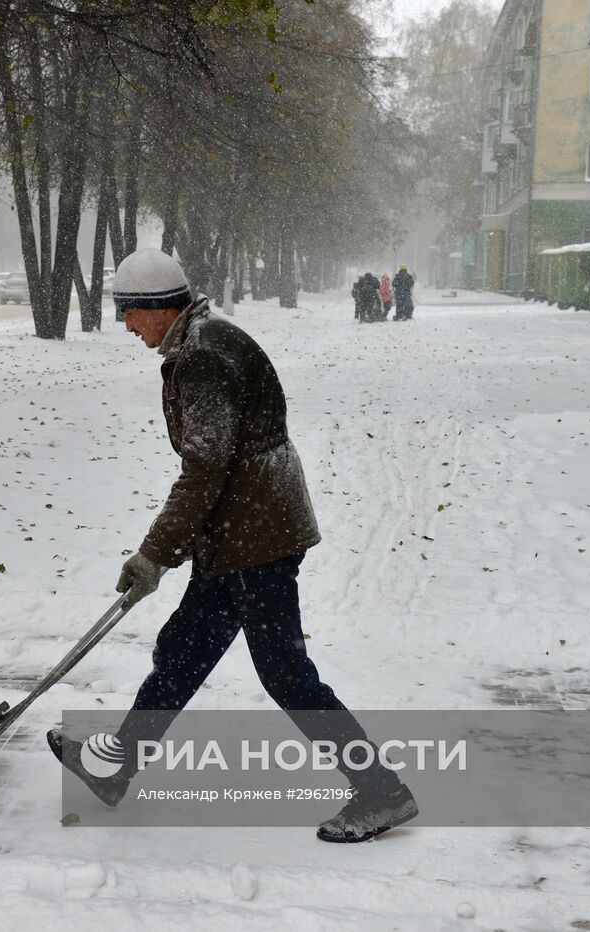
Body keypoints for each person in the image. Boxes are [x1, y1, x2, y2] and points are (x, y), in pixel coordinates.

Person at [48, 248, 418, 844]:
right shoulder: (205, 340)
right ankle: (117, 769)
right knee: (183, 651)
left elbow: (205, 469)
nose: (127, 326)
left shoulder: (202, 359)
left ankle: (381, 791)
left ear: (159, 308)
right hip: (244, 529)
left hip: (255, 537)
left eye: (130, 313)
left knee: (286, 674)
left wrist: (154, 554)